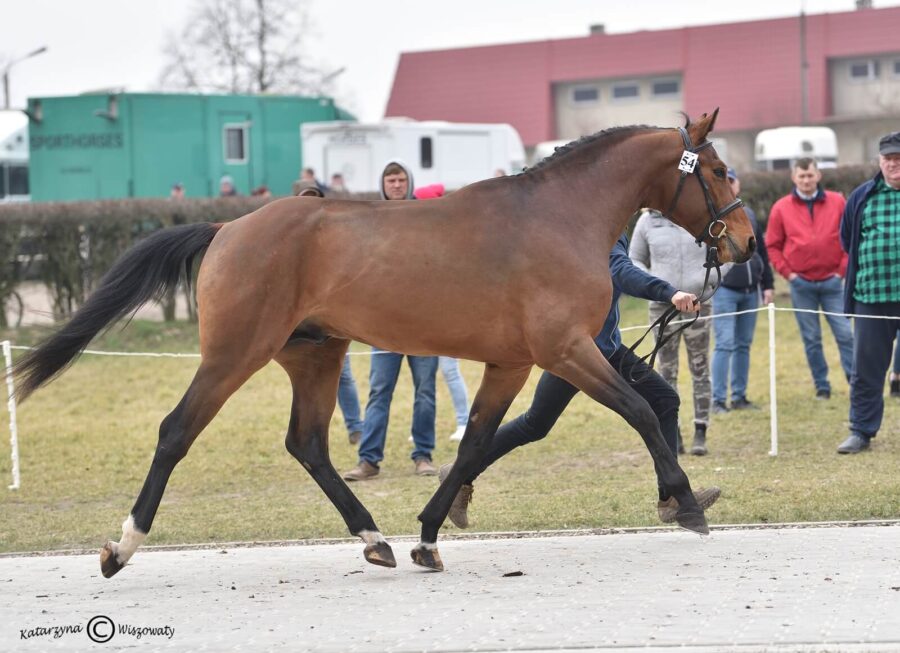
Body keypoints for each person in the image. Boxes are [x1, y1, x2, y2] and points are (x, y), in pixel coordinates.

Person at [439, 234, 721, 528]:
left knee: (663, 400)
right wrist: (668, 292)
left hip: (604, 350)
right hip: (580, 355)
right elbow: (620, 270)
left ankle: (671, 496)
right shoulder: (599, 230)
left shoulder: (594, 225)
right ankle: (460, 473)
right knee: (535, 423)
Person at [342, 161, 440, 480]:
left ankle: (423, 455)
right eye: (390, 180)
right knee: (379, 391)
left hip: (425, 324)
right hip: (384, 327)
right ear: (382, 185)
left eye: (400, 180)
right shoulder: (371, 220)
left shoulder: (424, 219)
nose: (396, 185)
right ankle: (369, 460)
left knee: (425, 392)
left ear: (408, 183)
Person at [630, 208, 717, 456]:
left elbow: (726, 254)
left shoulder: (700, 215)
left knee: (700, 367)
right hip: (662, 307)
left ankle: (701, 430)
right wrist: (654, 286)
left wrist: (708, 284)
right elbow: (633, 258)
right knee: (666, 371)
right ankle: (673, 431)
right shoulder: (647, 221)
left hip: (697, 304)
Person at [765, 157, 854, 399]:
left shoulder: (837, 202)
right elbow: (772, 245)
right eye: (801, 176)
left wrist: (841, 271)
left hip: (833, 282)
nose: (806, 180)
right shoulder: (781, 208)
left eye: (810, 175)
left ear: (818, 176)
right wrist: (789, 274)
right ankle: (822, 387)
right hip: (801, 284)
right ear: (794, 178)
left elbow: (850, 237)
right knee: (812, 338)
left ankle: (855, 382)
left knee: (846, 334)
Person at [836, 131, 900, 454]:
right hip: (871, 296)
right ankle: (861, 430)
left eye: (899, 159)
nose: (894, 165)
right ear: (880, 161)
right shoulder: (863, 196)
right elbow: (848, 239)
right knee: (866, 369)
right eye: (889, 159)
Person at [710, 168, 775, 413]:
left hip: (751, 291)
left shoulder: (747, 214)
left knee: (743, 345)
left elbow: (762, 251)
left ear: (737, 185)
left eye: (732, 181)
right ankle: (718, 400)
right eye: (724, 181)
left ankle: (739, 397)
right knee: (724, 344)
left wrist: (767, 284)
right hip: (725, 290)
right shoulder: (712, 216)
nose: (729, 184)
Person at [412, 182, 471, 440]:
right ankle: (422, 428)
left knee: (448, 370)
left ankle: (463, 421)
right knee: (424, 379)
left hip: (450, 317)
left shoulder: (452, 237)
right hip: (429, 317)